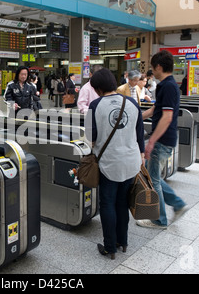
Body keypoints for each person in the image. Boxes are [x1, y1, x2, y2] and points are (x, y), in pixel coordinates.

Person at [85, 68, 145, 259]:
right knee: (122, 202)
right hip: (131, 161)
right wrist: (142, 156)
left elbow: (89, 137)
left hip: (109, 162)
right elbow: (139, 135)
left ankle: (110, 247)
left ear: (98, 87)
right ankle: (123, 242)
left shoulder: (94, 106)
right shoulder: (132, 103)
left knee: (108, 203)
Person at [138, 50, 188, 229]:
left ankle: (159, 219)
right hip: (165, 138)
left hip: (162, 139)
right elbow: (154, 110)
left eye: (153, 68)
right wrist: (136, 118)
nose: (152, 72)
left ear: (159, 67)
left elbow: (166, 117)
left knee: (152, 180)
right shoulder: (168, 85)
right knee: (154, 177)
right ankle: (177, 204)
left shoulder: (167, 86)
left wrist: (152, 142)